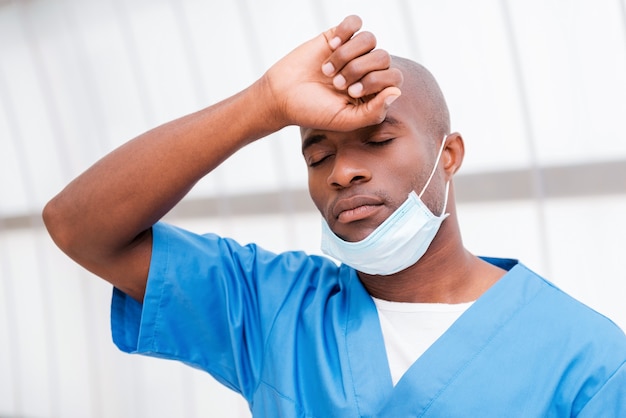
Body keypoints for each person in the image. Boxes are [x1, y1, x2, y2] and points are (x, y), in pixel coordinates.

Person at [43, 15, 625, 417]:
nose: (341, 172)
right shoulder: (275, 306)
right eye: (318, 155)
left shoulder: (589, 359)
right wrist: (263, 104)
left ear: (448, 156)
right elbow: (78, 226)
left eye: (377, 141)